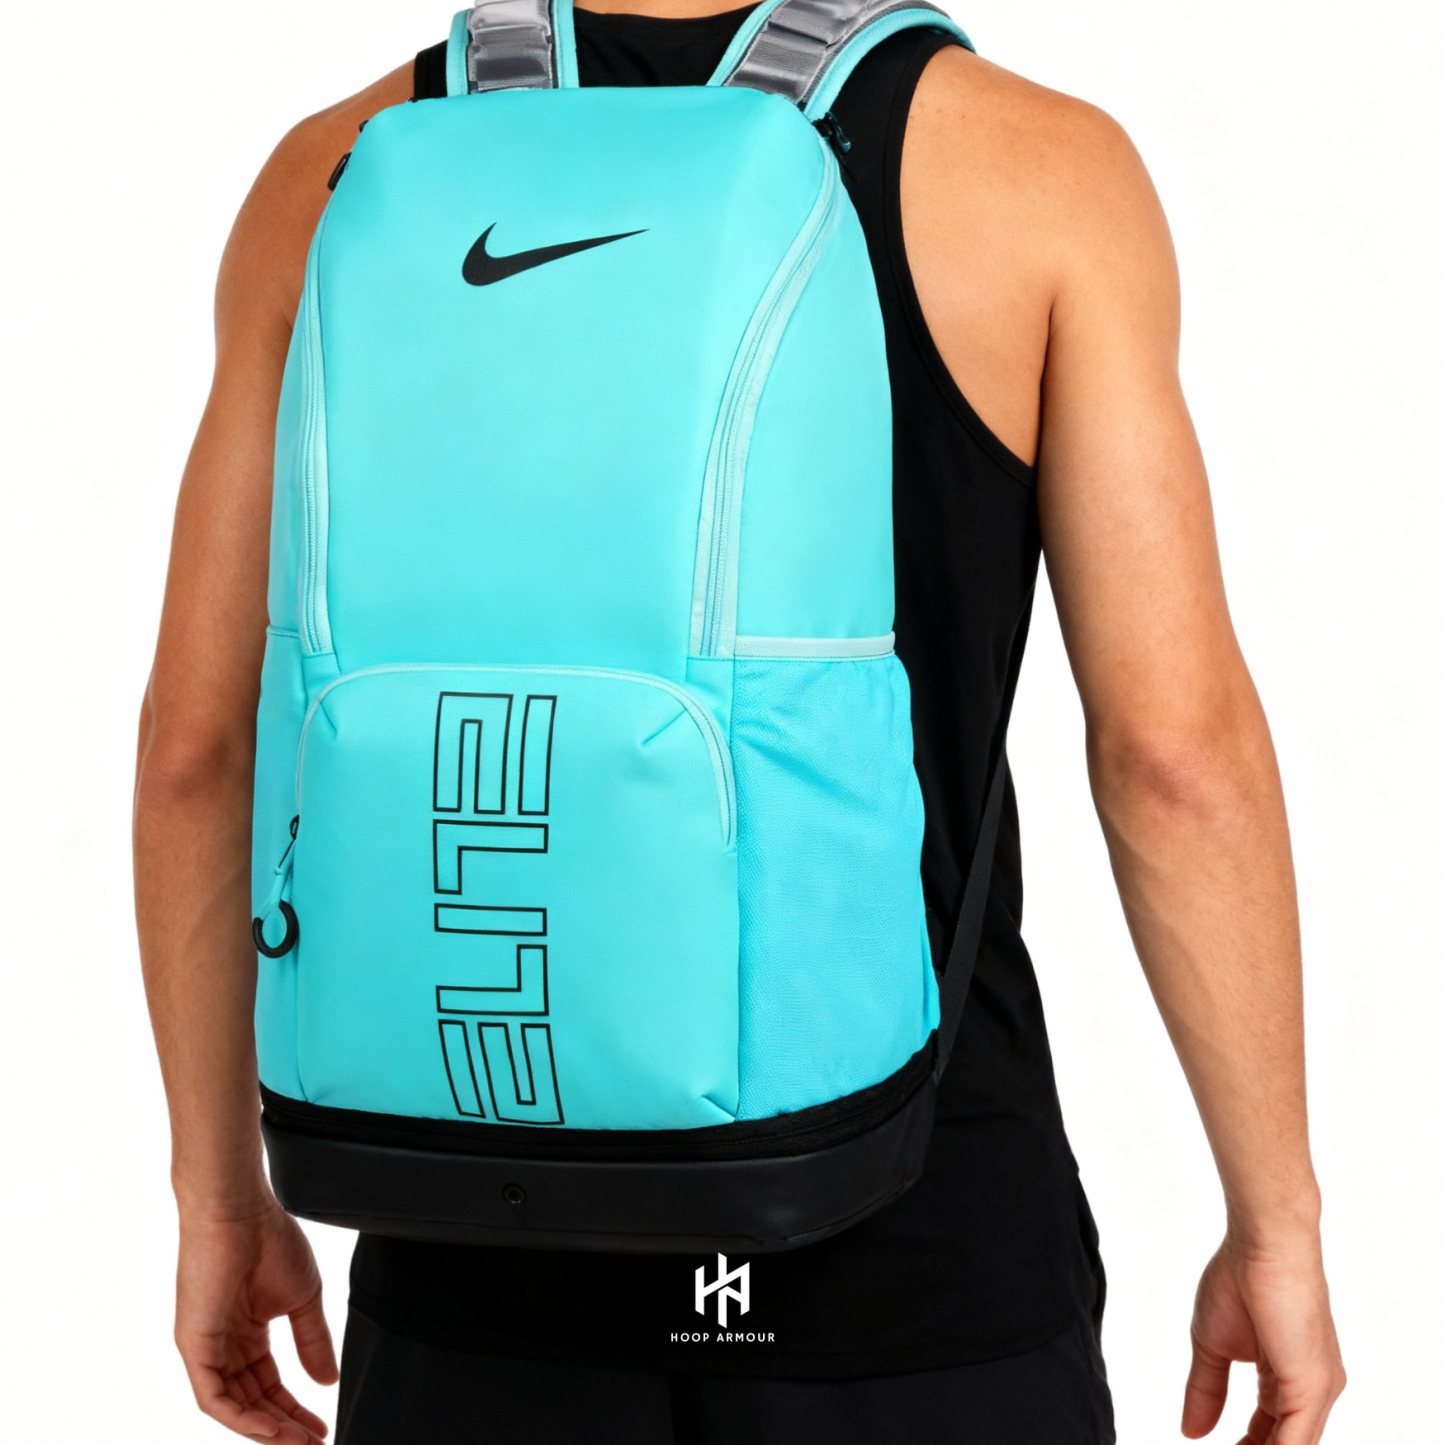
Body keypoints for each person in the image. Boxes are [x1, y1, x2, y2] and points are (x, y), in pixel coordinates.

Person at [133, 2, 1346, 1441]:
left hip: (472, 1241)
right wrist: (1276, 1223)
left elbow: (200, 753)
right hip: (919, 1255)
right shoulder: (1037, 172)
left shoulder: (340, 173)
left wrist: (220, 1196)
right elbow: (1173, 756)